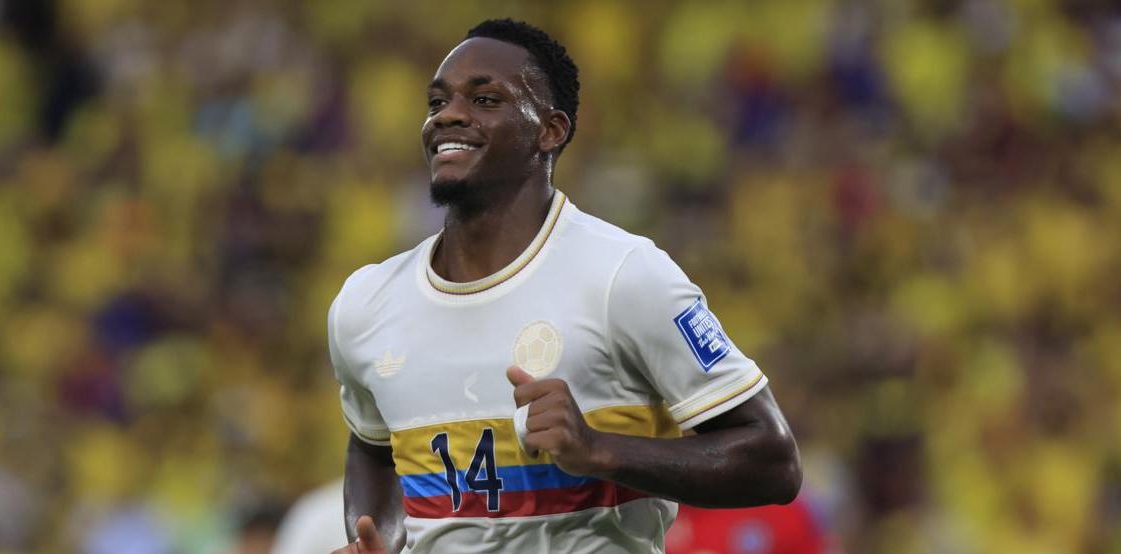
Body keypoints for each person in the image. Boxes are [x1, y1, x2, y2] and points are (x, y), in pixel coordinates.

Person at [328, 19, 801, 554]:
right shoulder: (365, 304)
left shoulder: (624, 275)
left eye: (484, 99)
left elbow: (773, 461)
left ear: (550, 130)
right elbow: (372, 447)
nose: (449, 115)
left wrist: (598, 449)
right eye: (438, 102)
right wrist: (379, 542)